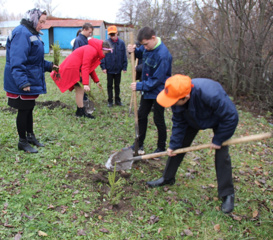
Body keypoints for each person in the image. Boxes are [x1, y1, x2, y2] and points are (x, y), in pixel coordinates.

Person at [147, 74, 239, 214]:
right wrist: (173, 145)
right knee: (177, 148)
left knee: (222, 155)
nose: (170, 104)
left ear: (186, 97)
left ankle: (227, 193)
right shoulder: (177, 97)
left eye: (173, 101)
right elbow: (178, 122)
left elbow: (231, 117)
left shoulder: (212, 95)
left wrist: (218, 139)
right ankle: (167, 177)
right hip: (192, 117)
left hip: (218, 120)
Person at [3, 8, 55, 153]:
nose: (42, 25)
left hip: (28, 79)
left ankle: (30, 136)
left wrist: (49, 66)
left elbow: (34, 60)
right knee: (23, 110)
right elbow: (17, 61)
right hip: (20, 81)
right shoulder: (21, 33)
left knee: (29, 108)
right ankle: (22, 141)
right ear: (33, 19)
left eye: (44, 22)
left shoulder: (32, 33)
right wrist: (22, 82)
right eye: (41, 21)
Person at [127, 26, 172, 155]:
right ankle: (139, 144)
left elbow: (157, 80)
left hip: (159, 91)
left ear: (153, 38)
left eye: (146, 44)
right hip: (148, 90)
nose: (145, 47)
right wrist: (133, 50)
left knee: (158, 119)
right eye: (143, 45)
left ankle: (161, 147)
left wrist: (140, 86)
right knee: (141, 115)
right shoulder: (148, 47)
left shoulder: (163, 55)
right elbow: (140, 53)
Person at [50, 38, 112, 118]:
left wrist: (96, 81)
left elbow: (90, 68)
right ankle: (80, 111)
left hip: (76, 69)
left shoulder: (93, 50)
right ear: (103, 48)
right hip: (73, 69)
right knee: (80, 90)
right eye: (105, 53)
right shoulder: (91, 50)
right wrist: (85, 83)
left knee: (80, 91)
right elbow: (85, 67)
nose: (104, 55)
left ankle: (80, 110)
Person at [100, 25, 127, 107]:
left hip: (118, 68)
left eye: (113, 34)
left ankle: (117, 100)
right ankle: (110, 101)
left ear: (117, 33)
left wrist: (124, 66)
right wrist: (103, 67)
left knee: (117, 85)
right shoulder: (106, 43)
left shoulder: (121, 43)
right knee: (109, 85)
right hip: (109, 68)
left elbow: (124, 55)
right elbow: (102, 56)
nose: (112, 36)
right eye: (110, 35)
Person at [72, 23, 94, 114]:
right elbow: (76, 56)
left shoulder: (85, 40)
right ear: (84, 29)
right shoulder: (78, 40)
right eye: (89, 32)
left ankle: (84, 106)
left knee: (85, 89)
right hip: (80, 69)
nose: (90, 34)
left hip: (85, 69)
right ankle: (81, 109)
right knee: (80, 90)